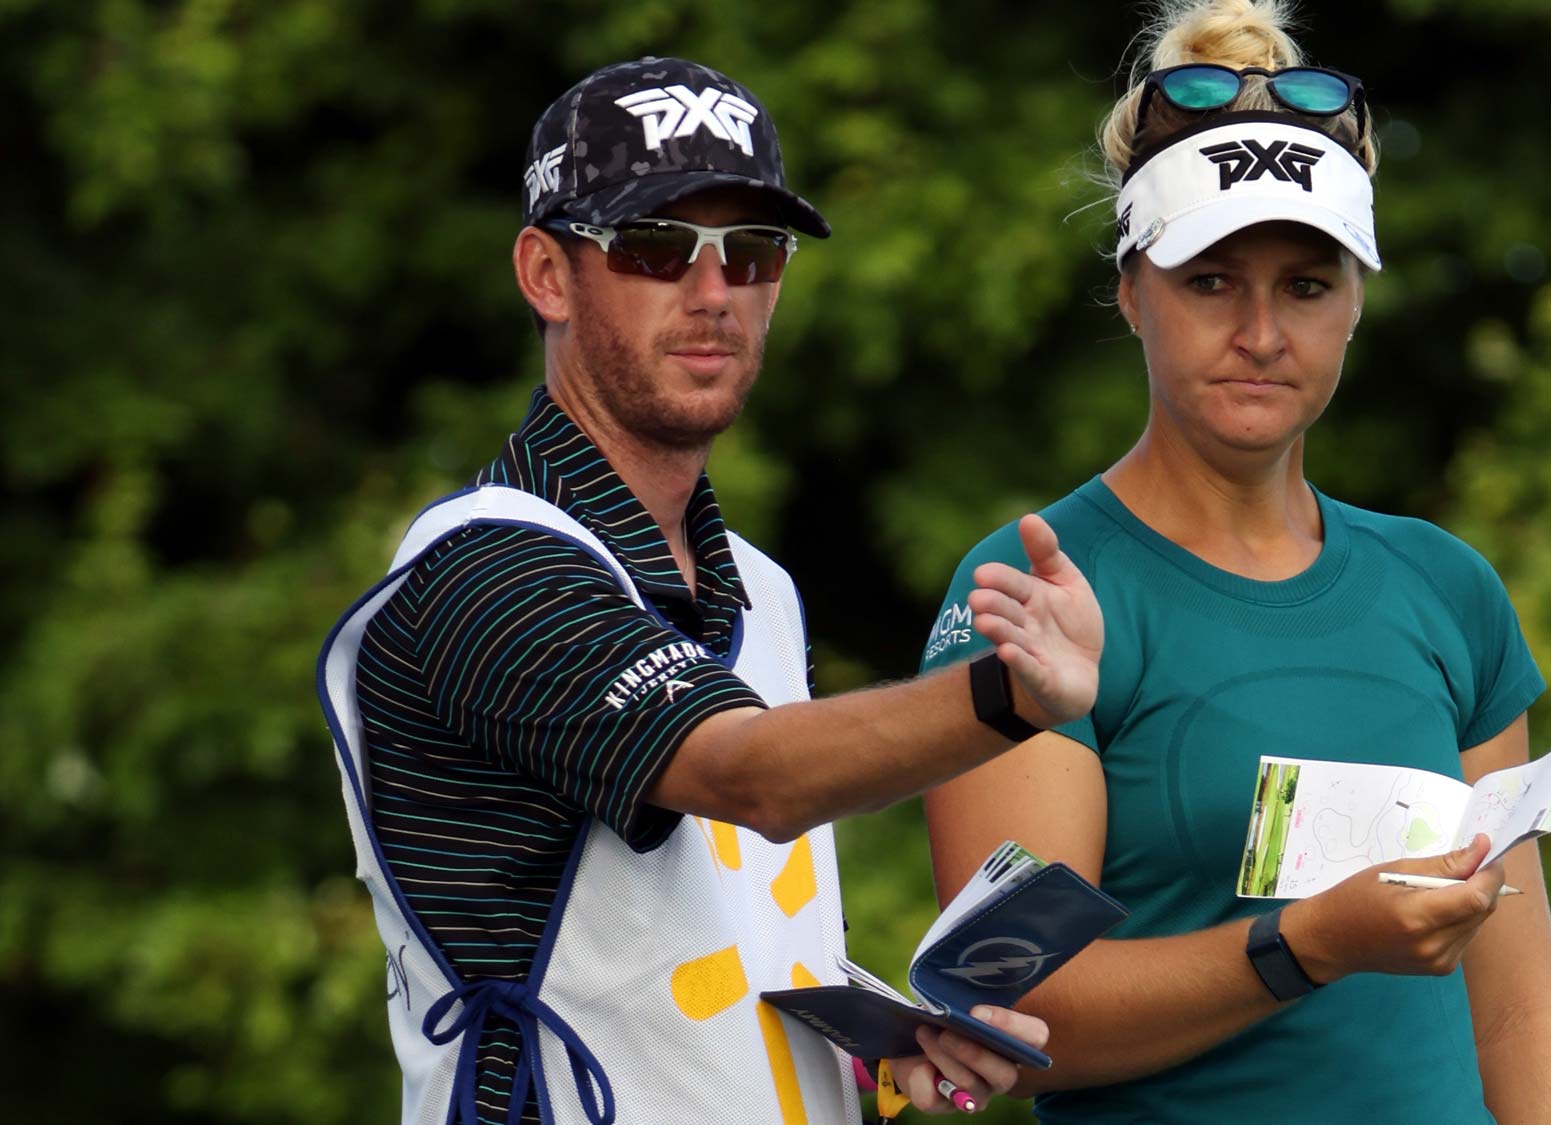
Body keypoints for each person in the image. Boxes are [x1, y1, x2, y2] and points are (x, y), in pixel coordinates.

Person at [318, 57, 1103, 1125]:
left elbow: (712, 950)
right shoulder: (480, 568)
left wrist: (884, 1051)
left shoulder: (763, 590)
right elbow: (755, 778)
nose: (713, 292)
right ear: (546, 274)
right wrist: (1007, 695)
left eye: (752, 252)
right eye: (653, 247)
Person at [917, 2, 1551, 1122]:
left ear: (1355, 307)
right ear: (1131, 290)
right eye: (1211, 280)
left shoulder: (1445, 588)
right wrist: (1309, 943)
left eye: (1305, 284)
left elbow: (1517, 1008)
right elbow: (1009, 1011)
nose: (1261, 333)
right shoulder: (1038, 587)